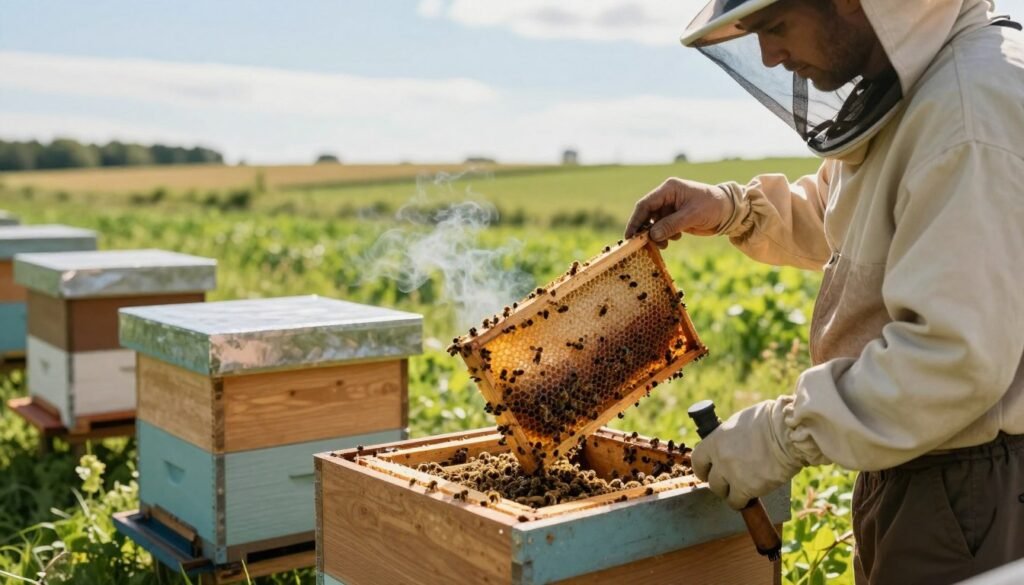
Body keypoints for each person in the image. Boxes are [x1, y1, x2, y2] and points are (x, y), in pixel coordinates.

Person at [624, 0, 1024, 582]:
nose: (769, 55)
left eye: (777, 26)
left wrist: (784, 432)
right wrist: (733, 209)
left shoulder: (969, 109)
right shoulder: (925, 86)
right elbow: (856, 221)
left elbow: (953, 359)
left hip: (966, 486)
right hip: (930, 471)